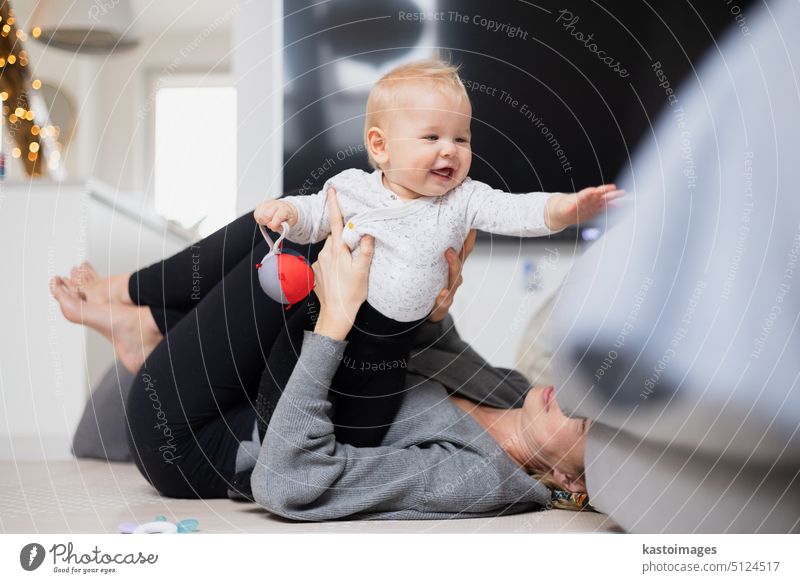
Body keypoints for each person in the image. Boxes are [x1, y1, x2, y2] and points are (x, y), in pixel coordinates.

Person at [50, 189, 589, 519]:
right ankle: (145, 321)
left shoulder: (482, 479)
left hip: (196, 445)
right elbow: (426, 348)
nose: (574, 399)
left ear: (573, 483)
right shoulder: (513, 389)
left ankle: (136, 305)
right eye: (589, 394)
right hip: (255, 398)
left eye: (585, 425)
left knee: (322, 239)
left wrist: (333, 323)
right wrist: (434, 304)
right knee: (311, 219)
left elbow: (285, 481)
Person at [253, 57, 621, 448]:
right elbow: (315, 214)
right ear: (381, 146)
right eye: (432, 138)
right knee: (282, 390)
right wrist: (288, 212)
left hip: (391, 349)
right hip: (322, 323)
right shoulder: (355, 189)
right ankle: (265, 448)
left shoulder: (464, 199)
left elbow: (515, 211)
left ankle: (334, 459)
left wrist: (563, 210)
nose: (450, 151)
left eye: (461, 139)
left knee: (367, 432)